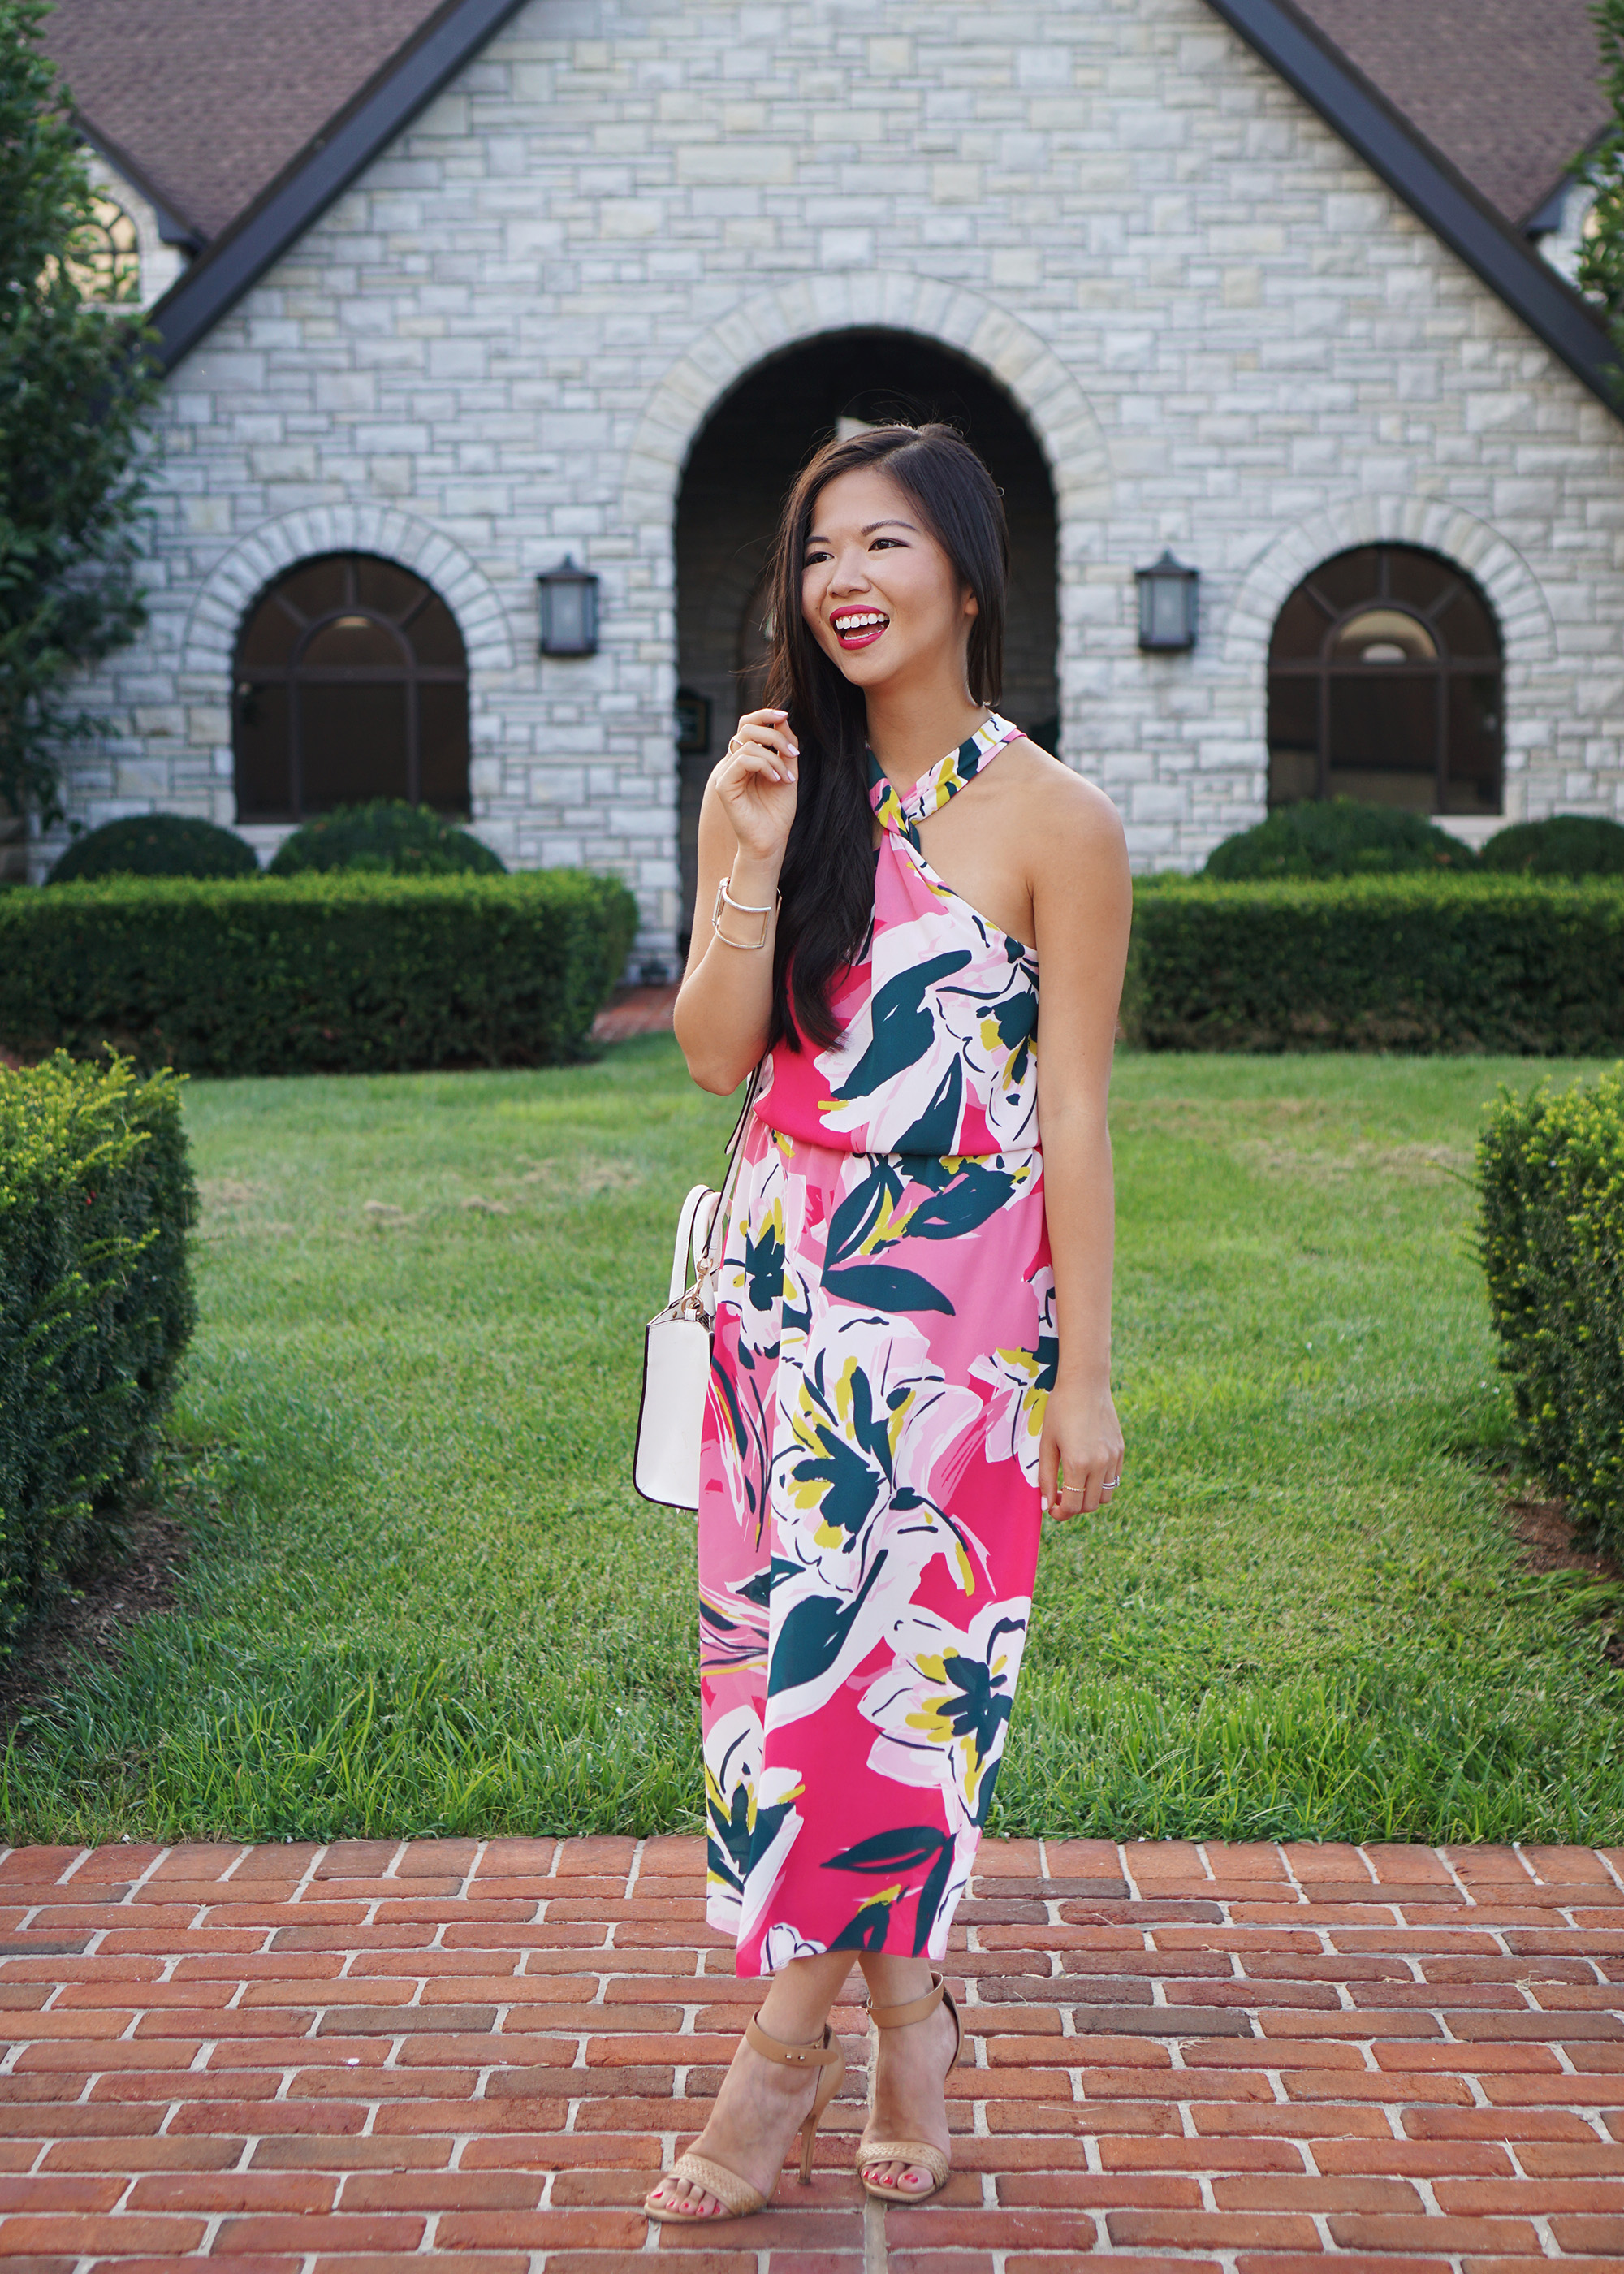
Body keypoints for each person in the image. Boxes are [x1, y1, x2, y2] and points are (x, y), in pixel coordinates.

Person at [649, 421, 1131, 2225]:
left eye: (882, 545)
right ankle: (912, 2008)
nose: (842, 582)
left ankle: (775, 2068)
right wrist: (755, 846)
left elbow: (1071, 1107)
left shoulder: (1055, 821)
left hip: (960, 1320)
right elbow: (714, 1052)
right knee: (786, 1699)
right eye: (817, 553)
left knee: (893, 1701)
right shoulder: (767, 782)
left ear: (965, 575)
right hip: (777, 1304)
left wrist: (1087, 1373)